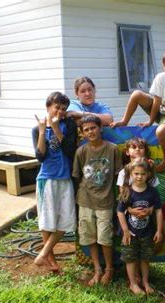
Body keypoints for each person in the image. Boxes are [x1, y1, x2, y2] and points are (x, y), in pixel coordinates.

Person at [72, 115, 122, 286]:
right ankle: (97, 269)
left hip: (106, 201)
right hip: (85, 201)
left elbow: (119, 176)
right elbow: (77, 177)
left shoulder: (113, 149)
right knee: (89, 237)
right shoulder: (81, 151)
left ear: (100, 128)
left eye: (93, 128)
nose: (90, 132)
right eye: (86, 130)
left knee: (105, 238)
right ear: (83, 134)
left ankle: (109, 269)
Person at [32, 92, 77, 273]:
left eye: (63, 109)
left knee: (67, 221)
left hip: (65, 178)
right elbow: (40, 157)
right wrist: (43, 131)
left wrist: (57, 128)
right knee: (47, 221)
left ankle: (43, 252)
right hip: (47, 179)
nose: (59, 111)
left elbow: (69, 150)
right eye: (56, 107)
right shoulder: (37, 129)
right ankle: (51, 262)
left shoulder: (69, 125)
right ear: (48, 107)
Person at [117, 158, 163, 295]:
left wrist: (159, 230)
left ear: (148, 174)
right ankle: (133, 284)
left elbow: (159, 210)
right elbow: (119, 211)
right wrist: (125, 231)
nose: (139, 177)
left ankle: (145, 281)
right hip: (131, 234)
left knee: (145, 259)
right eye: (136, 174)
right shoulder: (127, 191)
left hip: (147, 232)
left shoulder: (152, 192)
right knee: (130, 259)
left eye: (142, 174)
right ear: (131, 174)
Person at [67, 76, 113, 143]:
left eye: (90, 89)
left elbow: (109, 120)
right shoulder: (73, 104)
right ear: (77, 94)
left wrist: (80, 114)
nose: (87, 94)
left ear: (94, 90)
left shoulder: (102, 106)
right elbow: (74, 122)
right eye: (83, 91)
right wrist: (99, 121)